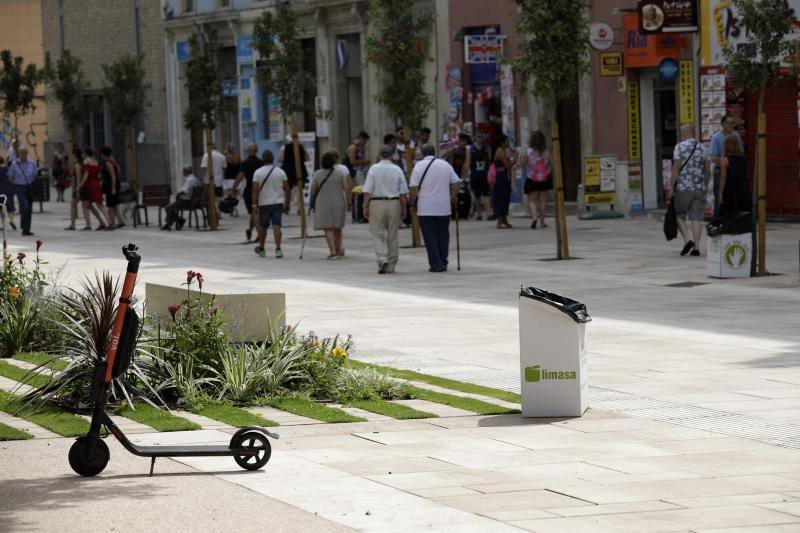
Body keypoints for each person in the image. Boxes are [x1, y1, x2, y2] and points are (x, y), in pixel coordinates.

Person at [410, 144, 460, 272]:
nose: (417, 151)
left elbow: (413, 187)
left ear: (422, 153)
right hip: (443, 207)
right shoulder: (445, 165)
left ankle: (436, 264)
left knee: (430, 237)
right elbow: (456, 182)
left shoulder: (418, 166)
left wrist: (412, 203)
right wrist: (453, 196)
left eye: (418, 150)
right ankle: (443, 261)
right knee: (443, 235)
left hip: (426, 208)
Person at [363, 145, 409, 274]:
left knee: (377, 234)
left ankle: (382, 258)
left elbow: (367, 190)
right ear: (391, 155)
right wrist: (403, 208)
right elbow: (403, 192)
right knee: (393, 235)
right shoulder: (397, 169)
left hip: (377, 203)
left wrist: (365, 206)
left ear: (379, 155)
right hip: (394, 202)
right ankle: (392, 265)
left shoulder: (373, 169)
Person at [669, 124, 709, 257]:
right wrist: (705, 184)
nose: (680, 135)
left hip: (684, 188)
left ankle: (687, 240)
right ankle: (697, 247)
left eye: (681, 132)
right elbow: (707, 170)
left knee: (679, 215)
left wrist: (670, 187)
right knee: (696, 218)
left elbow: (675, 170)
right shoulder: (703, 148)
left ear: (686, 133)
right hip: (699, 188)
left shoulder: (679, 147)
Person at [312, 152, 353, 259]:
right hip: (338, 202)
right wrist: (349, 202)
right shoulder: (340, 173)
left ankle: (333, 251)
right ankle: (338, 250)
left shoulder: (317, 174)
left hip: (323, 203)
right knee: (338, 227)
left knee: (328, 228)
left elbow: (313, 190)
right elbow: (346, 188)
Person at [252, 150, 290, 258]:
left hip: (264, 203)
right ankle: (278, 249)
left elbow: (254, 190)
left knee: (263, 227)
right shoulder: (281, 172)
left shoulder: (258, 172)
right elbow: (287, 188)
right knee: (277, 226)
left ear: (263, 159)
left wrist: (254, 205)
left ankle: (262, 249)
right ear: (273, 158)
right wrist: (287, 203)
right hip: (278, 202)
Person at [708, 114, 743, 215]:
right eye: (730, 123)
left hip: (734, 172)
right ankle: (718, 221)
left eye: (733, 123)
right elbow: (713, 157)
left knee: (734, 197)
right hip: (720, 171)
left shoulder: (736, 136)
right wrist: (725, 163)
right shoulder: (716, 137)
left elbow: (740, 153)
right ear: (723, 124)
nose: (732, 126)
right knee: (720, 198)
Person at [521, 131, 553, 229]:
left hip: (532, 178)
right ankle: (542, 222)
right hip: (545, 178)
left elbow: (524, 163)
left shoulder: (529, 151)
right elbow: (552, 163)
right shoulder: (546, 152)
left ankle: (534, 217)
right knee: (543, 201)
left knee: (532, 200)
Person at [7, 146, 38, 236]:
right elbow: (9, 176)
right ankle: (24, 228)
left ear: (27, 153)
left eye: (24, 152)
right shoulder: (14, 164)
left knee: (29, 208)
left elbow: (35, 174)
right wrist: (14, 186)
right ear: (19, 154)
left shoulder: (32, 163)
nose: (23, 154)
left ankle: (27, 229)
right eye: (21, 152)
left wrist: (32, 182)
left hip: (29, 187)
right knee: (25, 206)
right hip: (19, 187)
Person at [718, 134, 751, 216]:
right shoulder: (744, 159)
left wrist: (720, 193)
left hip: (729, 191)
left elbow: (723, 177)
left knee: (727, 215)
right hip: (742, 190)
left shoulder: (725, 160)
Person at [78, 147, 110, 231]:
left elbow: (86, 175)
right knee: (98, 205)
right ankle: (106, 222)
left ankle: (105, 223)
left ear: (85, 153)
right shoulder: (96, 162)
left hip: (89, 185)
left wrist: (79, 186)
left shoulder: (86, 161)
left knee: (90, 205)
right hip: (96, 184)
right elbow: (99, 175)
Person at [235, 143, 262, 242]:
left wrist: (233, 188)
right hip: (260, 190)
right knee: (254, 212)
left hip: (250, 191)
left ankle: (260, 234)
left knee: (254, 212)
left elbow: (240, 177)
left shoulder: (245, 163)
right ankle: (249, 230)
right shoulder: (261, 162)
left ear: (249, 151)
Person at [491, 134, 518, 229]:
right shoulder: (501, 151)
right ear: (502, 142)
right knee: (502, 197)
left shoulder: (501, 151)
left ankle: (504, 220)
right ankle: (500, 221)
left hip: (504, 176)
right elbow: (507, 165)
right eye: (506, 141)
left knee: (505, 197)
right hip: (501, 176)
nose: (508, 143)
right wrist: (515, 158)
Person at [162, 165, 200, 230]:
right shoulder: (194, 178)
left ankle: (176, 222)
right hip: (191, 201)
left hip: (186, 202)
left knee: (168, 207)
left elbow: (185, 191)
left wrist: (178, 195)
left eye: (183, 171)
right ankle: (174, 222)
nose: (182, 173)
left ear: (186, 171)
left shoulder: (190, 180)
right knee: (170, 207)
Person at [279, 134, 309, 214]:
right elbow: (307, 158)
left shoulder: (284, 147)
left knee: (287, 189)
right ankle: (299, 208)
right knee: (299, 190)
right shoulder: (301, 147)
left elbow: (281, 159)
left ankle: (287, 206)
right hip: (300, 170)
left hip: (287, 170)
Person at [346, 131, 371, 222]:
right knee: (357, 193)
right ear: (360, 138)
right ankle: (357, 216)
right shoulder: (353, 147)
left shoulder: (359, 148)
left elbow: (360, 159)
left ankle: (360, 215)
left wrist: (363, 150)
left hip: (358, 174)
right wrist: (364, 162)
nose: (365, 144)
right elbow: (353, 161)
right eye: (364, 142)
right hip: (353, 174)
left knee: (361, 192)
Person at [468, 131, 491, 220]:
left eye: (481, 137)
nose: (480, 139)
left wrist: (490, 171)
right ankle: (478, 214)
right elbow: (468, 161)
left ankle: (488, 213)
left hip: (484, 174)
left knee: (486, 193)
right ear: (474, 138)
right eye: (478, 137)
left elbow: (489, 160)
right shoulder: (471, 149)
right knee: (477, 194)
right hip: (475, 174)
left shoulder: (486, 148)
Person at [100, 147, 125, 229]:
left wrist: (113, 188)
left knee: (110, 204)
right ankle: (121, 221)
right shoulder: (113, 162)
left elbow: (113, 176)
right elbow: (119, 172)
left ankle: (112, 223)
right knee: (114, 203)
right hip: (114, 185)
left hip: (111, 186)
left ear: (103, 154)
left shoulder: (108, 163)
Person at [200, 141, 226, 206]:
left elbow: (204, 168)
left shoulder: (206, 155)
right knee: (218, 196)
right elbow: (224, 168)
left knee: (210, 197)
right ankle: (219, 212)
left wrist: (203, 179)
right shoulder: (221, 156)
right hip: (219, 180)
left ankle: (211, 211)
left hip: (209, 180)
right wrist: (222, 176)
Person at [64, 146, 83, 230]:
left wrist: (77, 188)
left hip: (78, 186)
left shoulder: (77, 163)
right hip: (80, 185)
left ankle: (73, 224)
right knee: (89, 206)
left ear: (74, 154)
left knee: (73, 204)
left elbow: (78, 176)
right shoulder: (80, 162)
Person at [223, 143, 241, 217]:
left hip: (228, 178)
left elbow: (224, 168)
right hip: (236, 178)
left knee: (229, 195)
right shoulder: (237, 157)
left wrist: (223, 176)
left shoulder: (226, 158)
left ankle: (232, 210)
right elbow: (241, 167)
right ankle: (235, 208)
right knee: (235, 195)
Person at [0, 156, 17, 230]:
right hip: (9, 190)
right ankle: (11, 220)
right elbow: (12, 179)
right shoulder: (8, 169)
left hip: (1, 191)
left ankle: (3, 224)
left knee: (1, 208)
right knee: (11, 207)